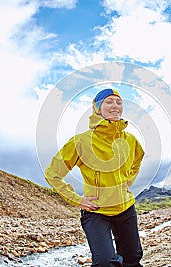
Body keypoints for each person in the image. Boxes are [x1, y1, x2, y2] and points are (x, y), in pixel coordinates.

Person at [45, 88, 145, 267]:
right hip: (96, 211)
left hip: (126, 208)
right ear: (97, 108)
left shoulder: (131, 140)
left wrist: (129, 180)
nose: (115, 106)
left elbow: (138, 159)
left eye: (118, 102)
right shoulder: (81, 141)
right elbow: (53, 174)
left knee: (132, 258)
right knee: (105, 263)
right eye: (109, 101)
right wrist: (76, 199)